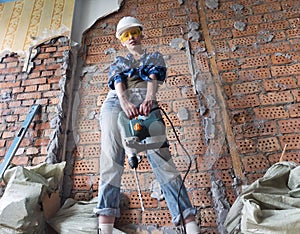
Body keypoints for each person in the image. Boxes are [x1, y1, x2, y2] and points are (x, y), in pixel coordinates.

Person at [94, 16, 200, 234]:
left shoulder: (153, 57)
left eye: (134, 32)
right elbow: (117, 82)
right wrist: (124, 102)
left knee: (162, 160)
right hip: (116, 103)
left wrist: (149, 100)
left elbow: (152, 81)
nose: (131, 37)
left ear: (141, 34)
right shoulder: (119, 61)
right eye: (126, 35)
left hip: (145, 102)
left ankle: (189, 223)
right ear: (121, 41)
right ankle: (104, 229)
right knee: (112, 157)